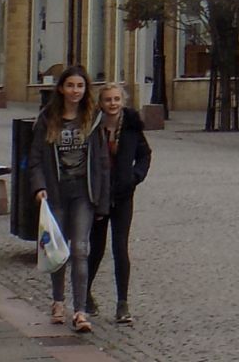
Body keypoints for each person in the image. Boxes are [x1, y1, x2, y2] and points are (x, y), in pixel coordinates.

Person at [26, 66, 110, 333]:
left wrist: (102, 200)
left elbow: (102, 162)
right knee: (58, 252)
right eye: (71, 85)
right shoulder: (47, 119)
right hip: (56, 192)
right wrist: (39, 188)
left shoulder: (93, 119)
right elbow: (36, 159)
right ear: (61, 88)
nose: (75, 91)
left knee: (81, 250)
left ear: (86, 90)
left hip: (83, 192)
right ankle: (58, 301)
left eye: (80, 86)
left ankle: (81, 310)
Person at [86, 82, 151, 324]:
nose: (112, 104)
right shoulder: (92, 126)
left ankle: (122, 303)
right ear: (100, 103)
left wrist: (135, 177)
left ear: (122, 101)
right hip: (99, 196)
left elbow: (145, 154)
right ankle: (85, 294)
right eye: (107, 100)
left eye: (116, 99)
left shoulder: (132, 127)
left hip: (123, 195)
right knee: (96, 248)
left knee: (120, 247)